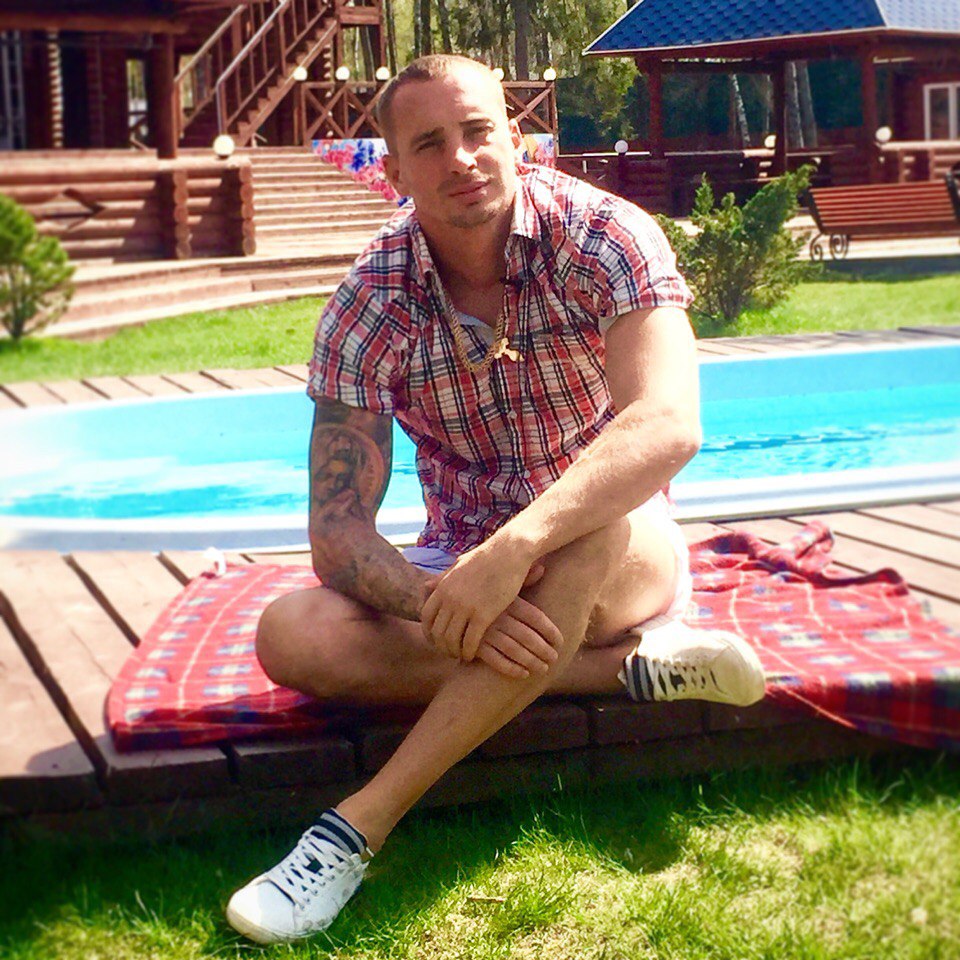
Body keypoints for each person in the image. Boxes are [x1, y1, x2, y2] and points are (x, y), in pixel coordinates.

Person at [225, 54, 765, 945]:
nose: (462, 158)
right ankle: (625, 672)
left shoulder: (604, 236)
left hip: (615, 546)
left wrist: (513, 553)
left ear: (516, 138)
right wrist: (433, 599)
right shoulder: (369, 301)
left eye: (478, 131)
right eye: (429, 143)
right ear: (393, 171)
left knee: (592, 529)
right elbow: (337, 530)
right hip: (463, 563)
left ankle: (355, 828)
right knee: (290, 633)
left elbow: (667, 423)